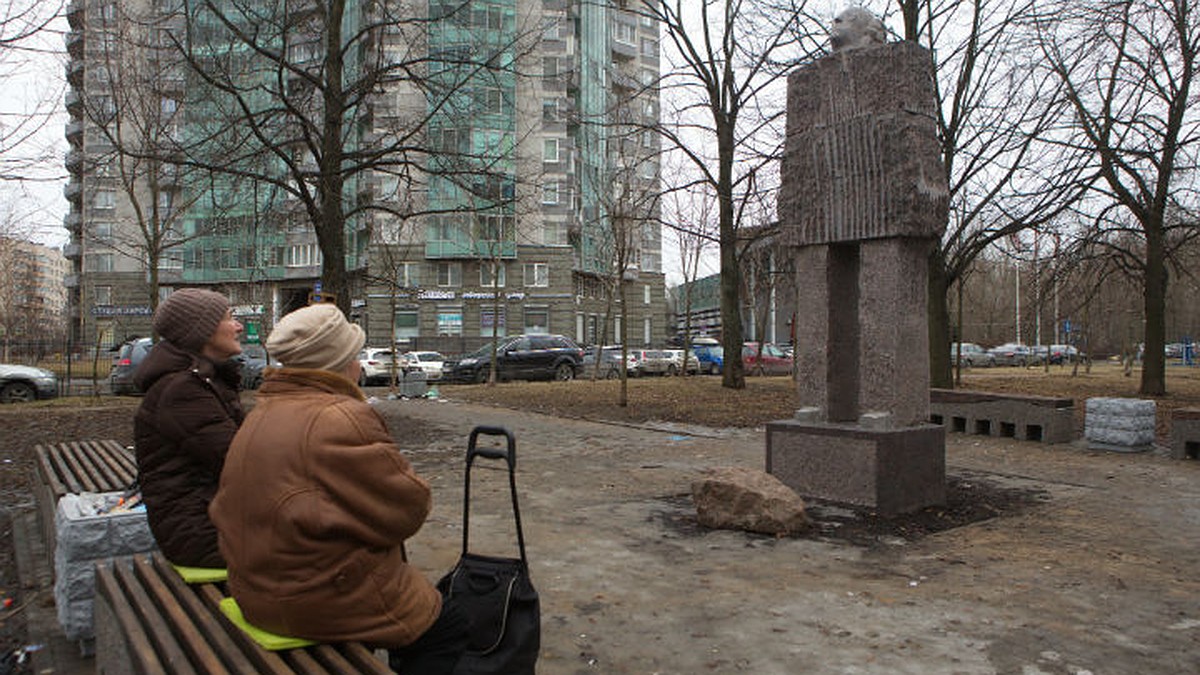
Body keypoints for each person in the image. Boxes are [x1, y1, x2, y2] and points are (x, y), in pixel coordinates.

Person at [209, 303, 466, 673]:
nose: (360, 364)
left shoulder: (263, 411)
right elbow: (408, 511)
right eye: (354, 355)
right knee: (447, 623)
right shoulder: (340, 417)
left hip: (257, 588)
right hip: (310, 600)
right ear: (338, 363)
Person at [134, 288, 245, 568]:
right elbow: (241, 462)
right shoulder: (183, 390)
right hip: (203, 534)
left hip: (207, 521)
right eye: (230, 318)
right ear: (204, 331)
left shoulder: (201, 381)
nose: (239, 326)